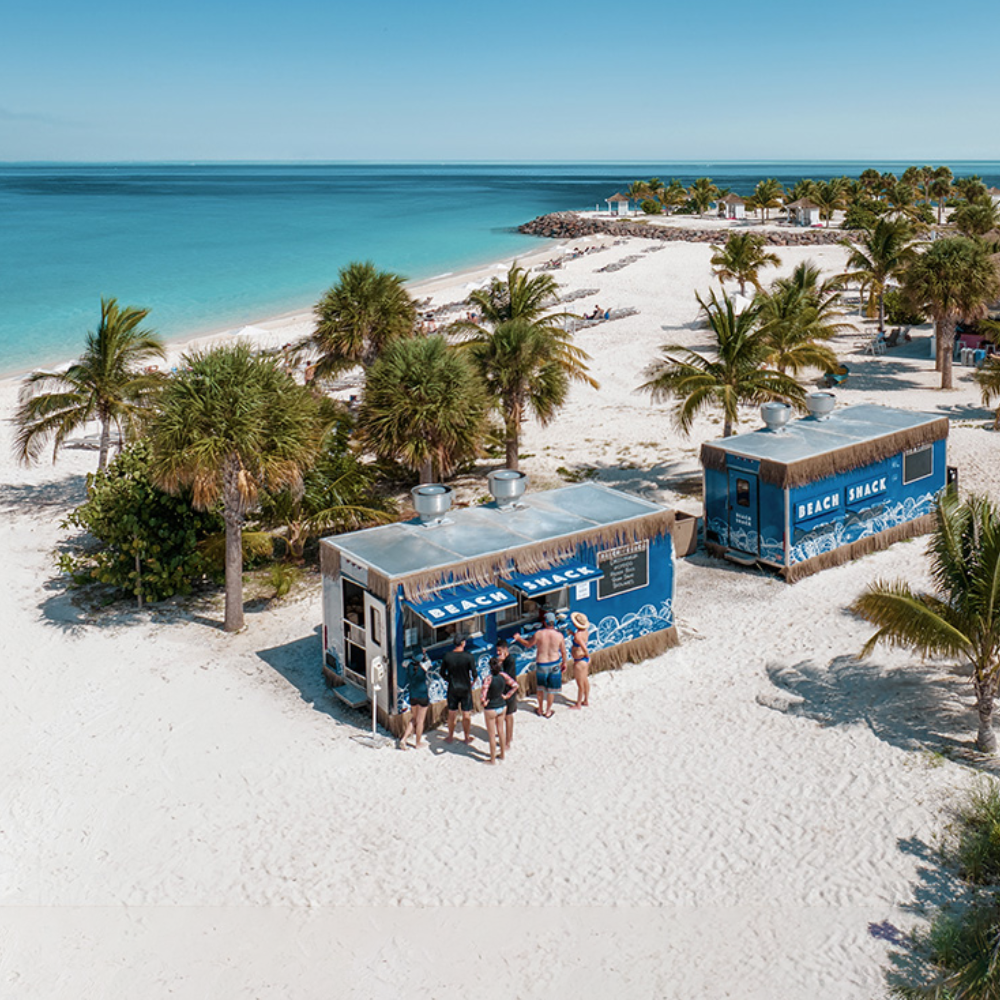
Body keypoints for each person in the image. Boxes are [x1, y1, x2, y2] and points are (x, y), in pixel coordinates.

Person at [514, 611, 568, 718]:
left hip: (542, 664)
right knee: (551, 689)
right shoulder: (559, 635)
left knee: (540, 688)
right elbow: (563, 651)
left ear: (544, 622)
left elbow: (528, 644)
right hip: (555, 663)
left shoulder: (539, 634)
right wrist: (564, 663)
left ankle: (540, 709)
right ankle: (548, 711)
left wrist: (518, 638)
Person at [479, 656, 518, 764]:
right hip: (502, 705)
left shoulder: (488, 679)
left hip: (491, 707)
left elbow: (483, 695)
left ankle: (492, 759)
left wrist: (484, 702)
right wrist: (507, 695)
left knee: (492, 735)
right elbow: (515, 685)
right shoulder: (503, 676)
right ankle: (502, 754)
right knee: (501, 731)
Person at [440, 634, 477, 744]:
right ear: (463, 643)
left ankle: (450, 736)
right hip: (465, 687)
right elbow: (475, 674)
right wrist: (471, 684)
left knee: (452, 713)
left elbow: (442, 673)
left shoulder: (447, 656)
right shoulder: (469, 656)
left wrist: (449, 679)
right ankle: (466, 737)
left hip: (453, 687)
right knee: (466, 714)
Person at [399, 651, 431, 749]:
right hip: (423, 695)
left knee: (413, 718)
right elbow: (429, 662)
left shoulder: (408, 665)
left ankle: (404, 739)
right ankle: (418, 743)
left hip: (413, 695)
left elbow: (403, 662)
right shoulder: (424, 667)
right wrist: (425, 654)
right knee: (420, 721)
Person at [496, 638, 519, 747]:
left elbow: (506, 677)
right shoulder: (501, 660)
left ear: (505, 650)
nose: (498, 653)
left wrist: (500, 663)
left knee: (508, 716)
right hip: (501, 691)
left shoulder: (510, 661)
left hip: (509, 691)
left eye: (500, 650)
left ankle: (508, 740)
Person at [569, 611, 591, 709]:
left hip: (579, 660)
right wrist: (573, 634)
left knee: (580, 683)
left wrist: (587, 655)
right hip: (583, 659)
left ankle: (578, 704)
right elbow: (581, 641)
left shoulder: (578, 635)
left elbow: (584, 648)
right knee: (585, 680)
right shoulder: (585, 632)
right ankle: (585, 700)